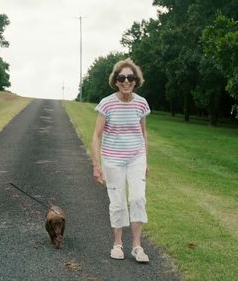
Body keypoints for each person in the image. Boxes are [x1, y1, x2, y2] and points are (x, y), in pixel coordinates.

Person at [91, 58, 151, 262]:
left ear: (136, 80)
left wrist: (146, 162)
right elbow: (96, 136)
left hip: (136, 158)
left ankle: (137, 246)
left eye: (130, 77)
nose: (126, 81)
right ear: (115, 81)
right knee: (118, 203)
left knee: (137, 198)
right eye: (122, 78)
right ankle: (117, 244)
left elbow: (144, 134)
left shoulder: (141, 103)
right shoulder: (107, 104)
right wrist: (96, 165)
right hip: (113, 160)